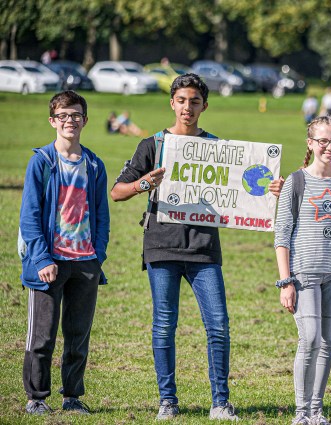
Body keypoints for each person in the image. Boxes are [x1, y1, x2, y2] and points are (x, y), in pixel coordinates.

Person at [110, 74, 239, 421]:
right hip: (162, 247)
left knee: (218, 325)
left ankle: (220, 402)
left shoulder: (217, 147)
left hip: (203, 249)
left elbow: (240, 194)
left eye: (195, 101)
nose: (188, 107)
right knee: (164, 325)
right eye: (181, 100)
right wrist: (143, 183)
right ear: (172, 103)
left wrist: (268, 190)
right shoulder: (152, 144)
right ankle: (168, 401)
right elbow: (117, 191)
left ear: (204, 106)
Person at [19, 90, 110, 415]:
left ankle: (72, 396)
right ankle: (37, 398)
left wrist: (97, 255)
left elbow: (102, 215)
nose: (69, 121)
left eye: (75, 115)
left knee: (77, 337)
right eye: (63, 116)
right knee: (42, 337)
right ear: (52, 121)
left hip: (85, 263)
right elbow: (29, 216)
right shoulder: (41, 162)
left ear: (84, 120)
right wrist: (42, 258)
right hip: (49, 264)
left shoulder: (95, 164)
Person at [274, 115, 331, 425]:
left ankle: (316, 411)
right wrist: (285, 281)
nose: (329, 147)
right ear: (310, 143)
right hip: (304, 275)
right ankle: (301, 413)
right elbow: (282, 234)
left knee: (326, 342)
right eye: (323, 141)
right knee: (309, 337)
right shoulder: (295, 182)